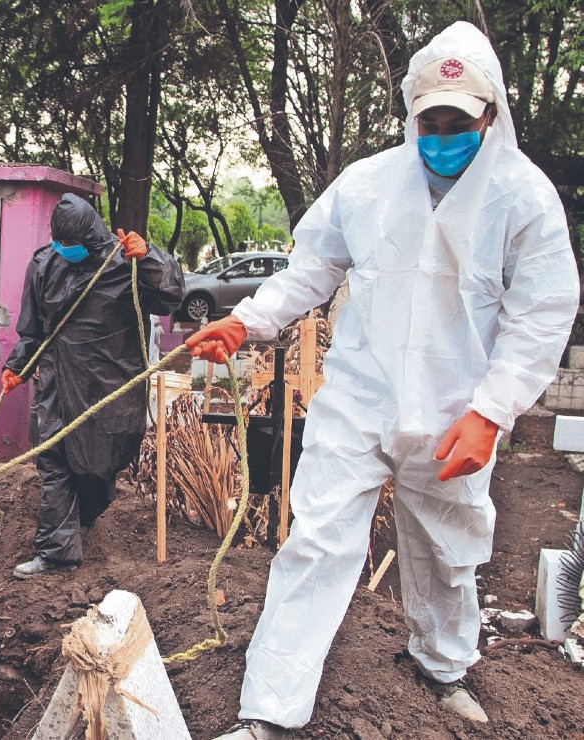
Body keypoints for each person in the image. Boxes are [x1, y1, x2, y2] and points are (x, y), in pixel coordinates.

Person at [196, 24, 579, 739]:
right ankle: (269, 713)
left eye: (457, 123)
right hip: (359, 398)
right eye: (428, 121)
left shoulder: (523, 198)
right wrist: (245, 321)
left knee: (444, 547)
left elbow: (541, 314)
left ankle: (441, 668)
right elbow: (310, 268)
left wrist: (491, 412)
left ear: (487, 115)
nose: (441, 135)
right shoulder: (367, 185)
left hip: (454, 410)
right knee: (315, 542)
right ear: (410, 114)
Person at [2, 194, 185, 578]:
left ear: (91, 236)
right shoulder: (44, 264)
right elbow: (34, 329)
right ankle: (56, 552)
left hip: (107, 383)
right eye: (58, 242)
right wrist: (18, 365)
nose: (63, 250)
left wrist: (149, 255)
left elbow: (170, 296)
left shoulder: (124, 263)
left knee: (97, 466)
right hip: (55, 378)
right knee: (53, 460)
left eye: (71, 245)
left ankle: (83, 518)